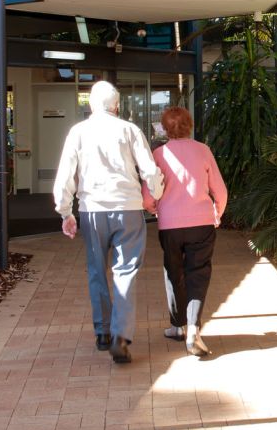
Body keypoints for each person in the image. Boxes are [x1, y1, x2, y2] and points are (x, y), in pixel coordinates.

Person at [53, 81, 163, 364]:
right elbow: (150, 170)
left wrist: (66, 211)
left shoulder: (78, 132)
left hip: (92, 210)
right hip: (128, 209)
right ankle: (120, 336)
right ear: (117, 106)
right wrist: (156, 195)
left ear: (90, 104)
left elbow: (66, 173)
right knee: (125, 272)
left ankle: (102, 333)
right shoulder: (130, 130)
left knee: (96, 271)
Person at [142, 106, 227, 357]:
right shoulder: (203, 150)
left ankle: (177, 326)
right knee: (198, 274)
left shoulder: (159, 154)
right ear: (190, 125)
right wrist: (217, 214)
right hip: (201, 223)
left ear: (165, 129)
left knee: (173, 271)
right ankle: (193, 329)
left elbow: (149, 196)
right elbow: (220, 191)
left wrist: (154, 209)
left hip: (170, 225)